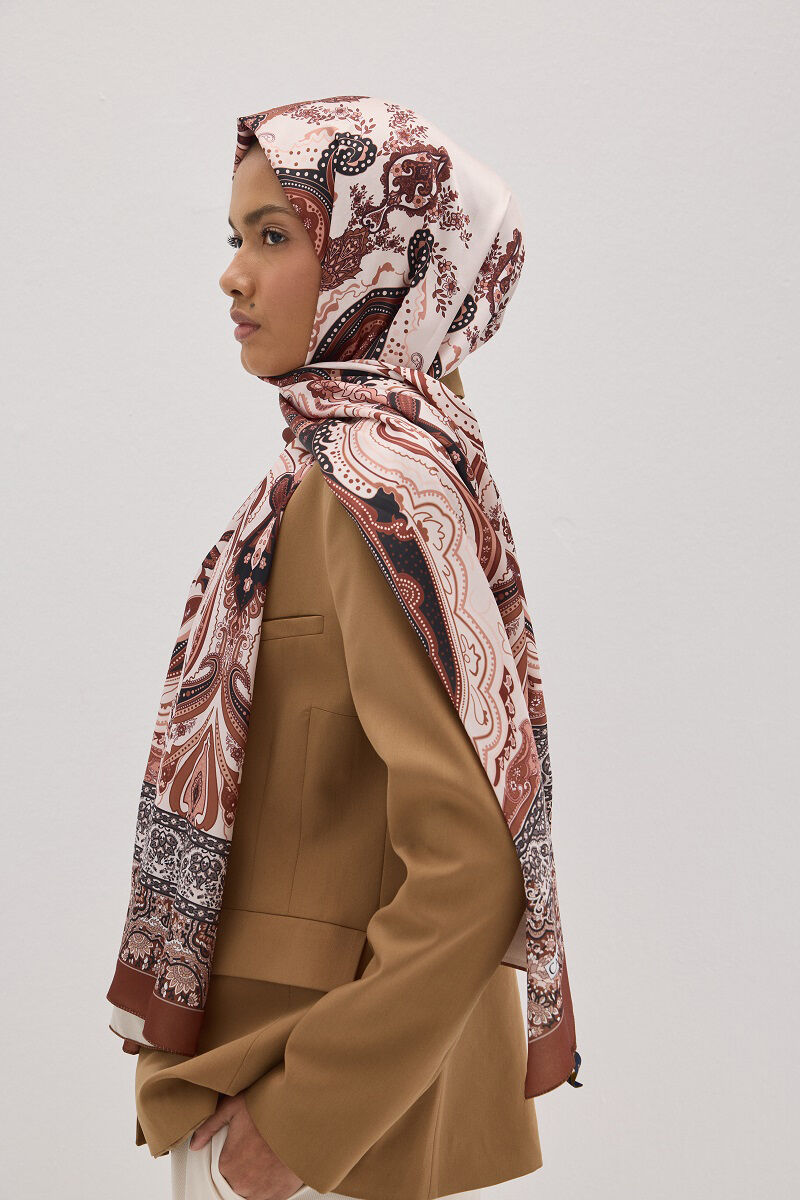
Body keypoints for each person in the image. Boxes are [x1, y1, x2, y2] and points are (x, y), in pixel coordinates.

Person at [106, 95, 579, 1200]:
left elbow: (473, 865)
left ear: (383, 262)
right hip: (323, 1097)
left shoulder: (372, 489)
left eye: (274, 236)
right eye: (237, 236)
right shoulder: (341, 472)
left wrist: (296, 1128)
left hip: (313, 1106)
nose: (233, 276)